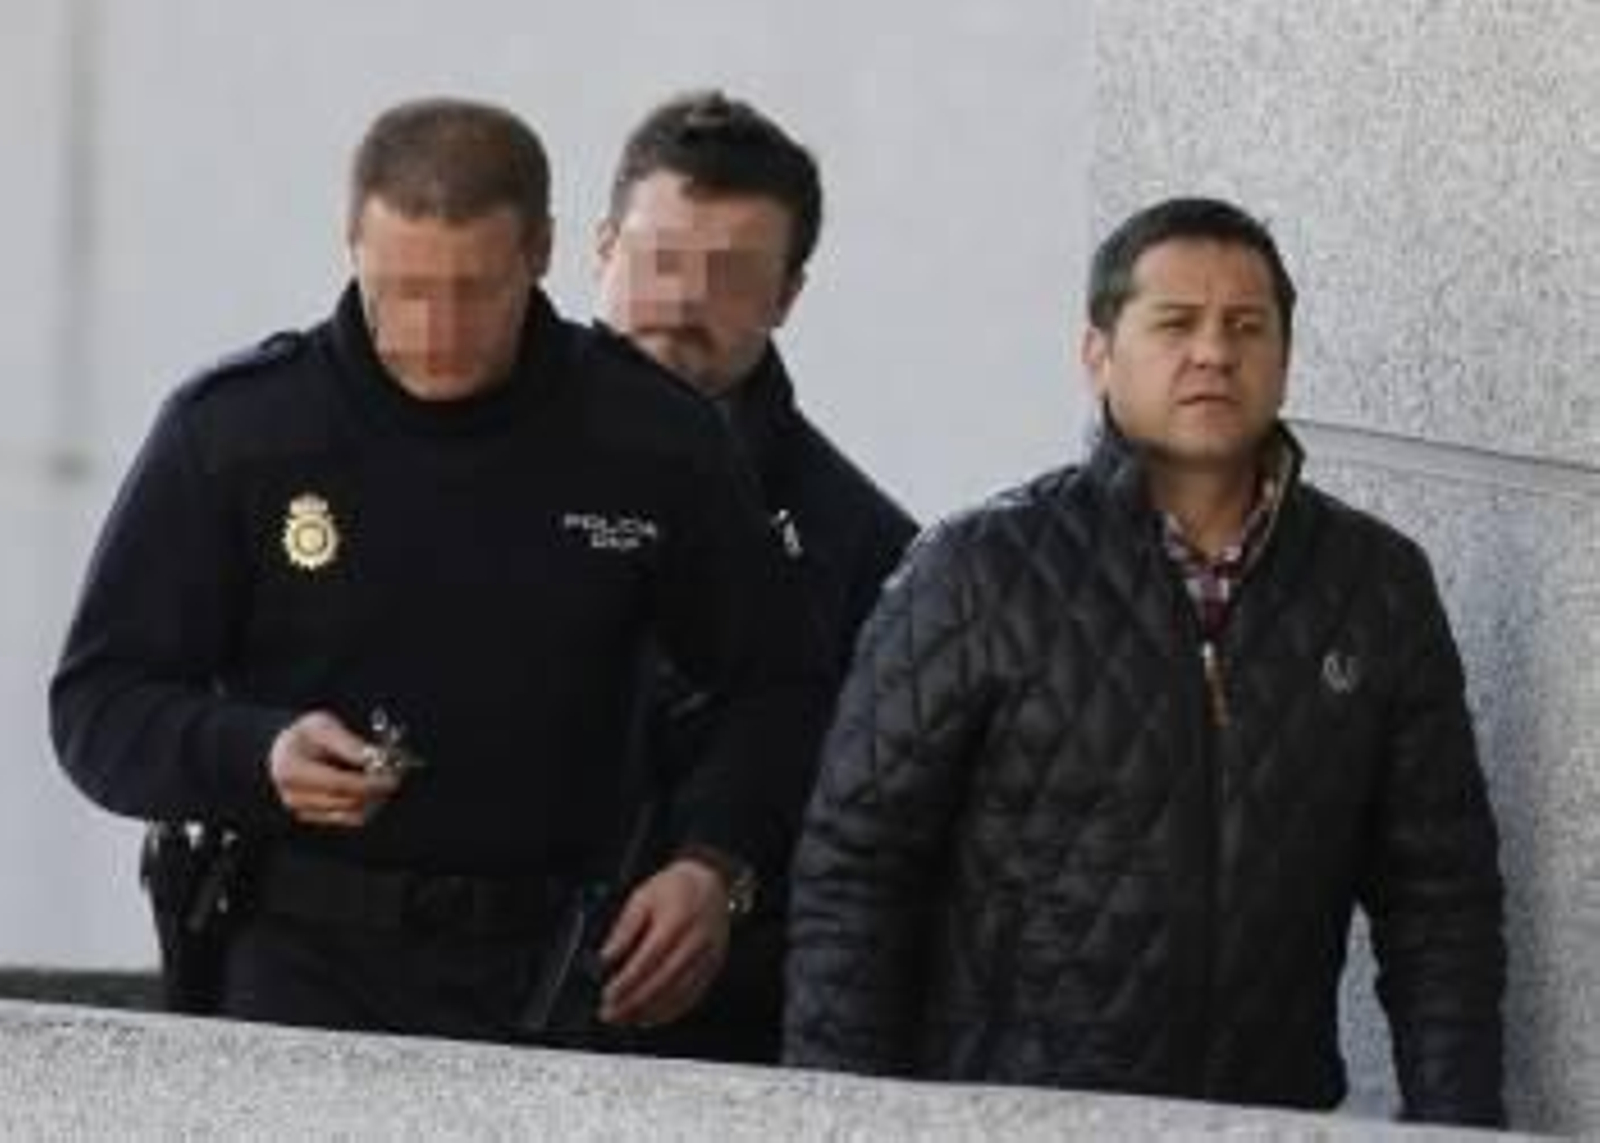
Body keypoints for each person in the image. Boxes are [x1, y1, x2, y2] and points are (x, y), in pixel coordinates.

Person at [49, 96, 829, 1044]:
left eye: (471, 293)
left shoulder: (652, 440)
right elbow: (98, 703)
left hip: (552, 977)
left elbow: (777, 683)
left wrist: (716, 865)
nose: (432, 327)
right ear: (352, 244)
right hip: (293, 972)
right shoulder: (239, 433)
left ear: (539, 252)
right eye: (400, 288)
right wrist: (255, 752)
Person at [784, 197, 1506, 1125]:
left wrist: (1457, 1122)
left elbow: (1439, 896)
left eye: (1247, 326)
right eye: (1175, 323)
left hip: (1263, 1115)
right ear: (1099, 354)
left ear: (1284, 355)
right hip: (1010, 1116)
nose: (1214, 351)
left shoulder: (1376, 584)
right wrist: (833, 1119)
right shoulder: (979, 570)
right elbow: (857, 870)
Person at [593, 90, 917, 1063]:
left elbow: (870, 848)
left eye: (730, 275)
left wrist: (721, 881)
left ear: (787, 297)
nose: (684, 303)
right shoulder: (446, 456)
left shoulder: (862, 548)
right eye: (659, 258)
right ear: (600, 248)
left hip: (716, 1043)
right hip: (434, 1015)